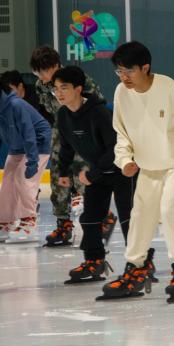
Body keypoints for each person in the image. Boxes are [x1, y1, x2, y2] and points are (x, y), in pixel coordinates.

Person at [98, 42, 174, 304]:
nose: (124, 77)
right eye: (119, 72)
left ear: (145, 68)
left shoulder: (169, 89)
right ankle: (136, 269)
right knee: (140, 216)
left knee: (170, 211)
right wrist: (124, 159)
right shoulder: (121, 93)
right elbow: (121, 132)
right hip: (149, 168)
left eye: (129, 71)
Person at [52, 66, 134, 283]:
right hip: (99, 171)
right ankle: (94, 261)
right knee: (90, 218)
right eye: (56, 89)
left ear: (78, 89)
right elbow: (66, 145)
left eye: (64, 88)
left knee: (129, 219)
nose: (59, 93)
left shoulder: (99, 113)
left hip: (122, 170)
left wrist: (93, 173)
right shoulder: (63, 114)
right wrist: (63, 170)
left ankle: (139, 264)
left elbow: (115, 147)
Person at [30, 45, 107, 247]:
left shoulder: (75, 77)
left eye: (44, 71)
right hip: (61, 129)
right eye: (38, 72)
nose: (42, 76)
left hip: (84, 129)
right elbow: (46, 109)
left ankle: (100, 220)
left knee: (84, 176)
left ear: (56, 65)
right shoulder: (41, 85)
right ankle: (63, 224)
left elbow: (97, 100)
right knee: (58, 176)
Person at [0, 78, 52, 242]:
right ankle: (6, 221)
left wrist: (32, 161)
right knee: (8, 181)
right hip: (17, 146)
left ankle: (28, 221)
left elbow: (29, 133)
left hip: (37, 143)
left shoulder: (16, 106)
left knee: (23, 179)